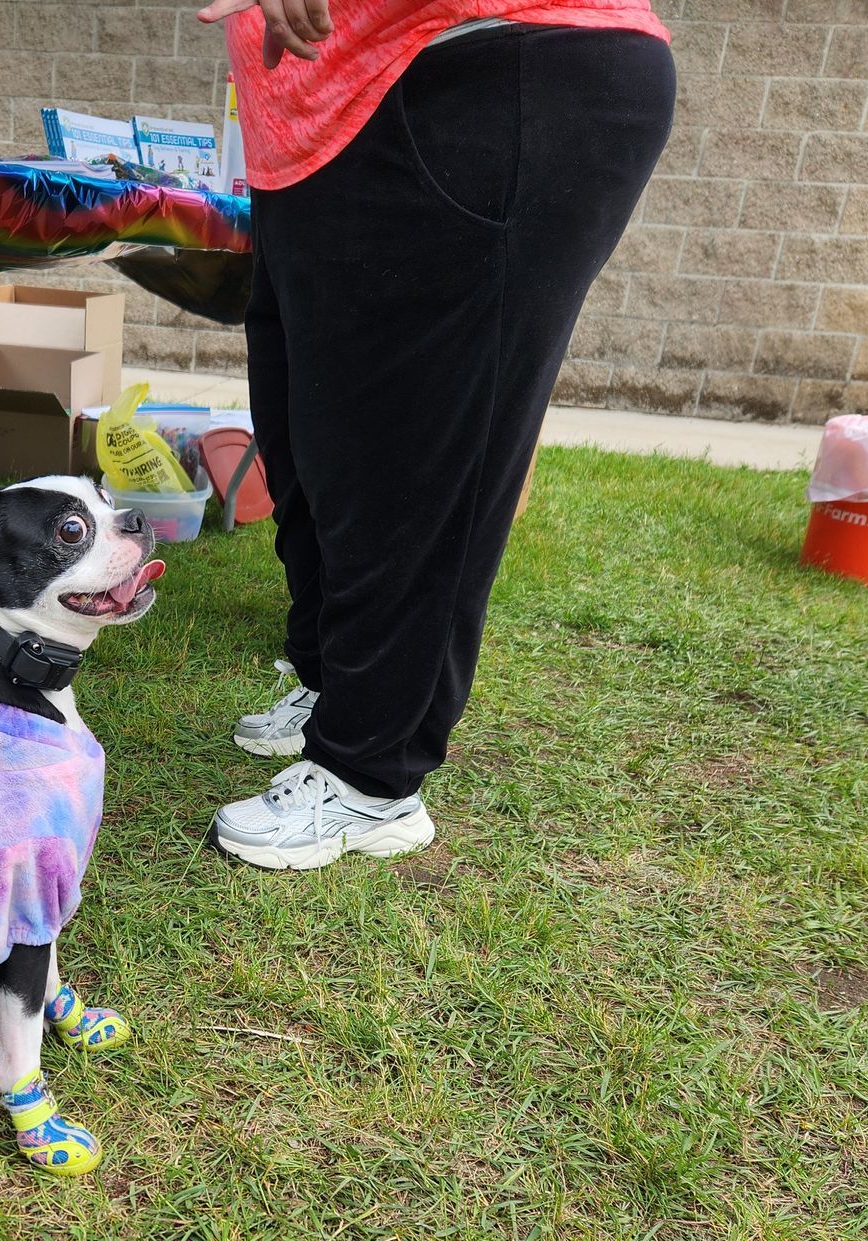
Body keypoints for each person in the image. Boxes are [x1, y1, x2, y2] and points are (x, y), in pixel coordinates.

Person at [198, 0, 676, 871]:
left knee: (408, 457)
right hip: (323, 126)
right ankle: (335, 687)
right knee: (310, 441)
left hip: (486, 69)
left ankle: (372, 779)